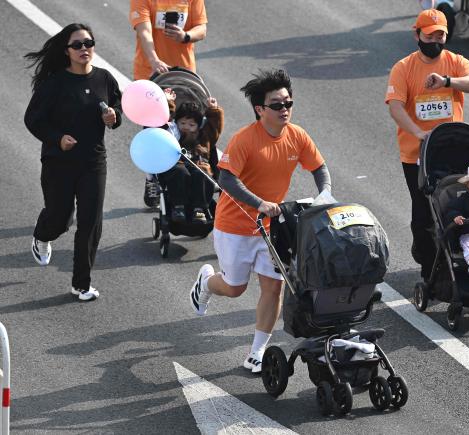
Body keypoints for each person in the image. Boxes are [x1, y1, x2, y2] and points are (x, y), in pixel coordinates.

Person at [188, 69, 331, 373]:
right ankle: (207, 283)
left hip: (272, 228)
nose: (285, 110)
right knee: (234, 287)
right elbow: (226, 179)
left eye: (288, 103)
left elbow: (318, 168)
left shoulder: (297, 135)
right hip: (235, 227)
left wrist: (326, 193)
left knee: (274, 287)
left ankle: (257, 351)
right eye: (277, 105)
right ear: (260, 109)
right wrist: (260, 203)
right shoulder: (245, 140)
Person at [24, 23, 122, 302]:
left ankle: (82, 284)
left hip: (93, 162)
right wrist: (57, 139)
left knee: (91, 222)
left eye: (88, 43)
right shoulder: (54, 84)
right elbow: (33, 119)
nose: (84, 49)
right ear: (66, 51)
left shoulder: (104, 78)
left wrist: (113, 117)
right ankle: (43, 235)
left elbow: (117, 107)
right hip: (59, 162)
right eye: (77, 45)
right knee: (59, 219)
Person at [385, 8, 469, 280]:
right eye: (429, 37)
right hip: (417, 154)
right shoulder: (403, 68)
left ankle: (462, 260)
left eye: (440, 36)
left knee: (458, 207)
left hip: (453, 149)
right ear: (416, 35)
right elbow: (395, 107)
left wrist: (448, 81)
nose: (435, 42)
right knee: (423, 213)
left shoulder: (455, 61)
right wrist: (419, 134)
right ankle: (429, 267)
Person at [129, 0, 208, 208]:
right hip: (152, 74)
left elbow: (202, 28)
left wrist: (186, 36)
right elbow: (144, 32)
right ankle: (152, 177)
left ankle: (186, 174)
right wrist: (154, 60)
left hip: (183, 77)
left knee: (185, 128)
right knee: (154, 130)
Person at [160, 90, 224, 223]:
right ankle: (178, 206)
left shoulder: (203, 136)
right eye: (182, 123)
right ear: (177, 122)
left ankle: (199, 208)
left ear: (198, 126)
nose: (186, 127)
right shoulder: (173, 133)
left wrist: (213, 110)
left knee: (203, 173)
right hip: (178, 164)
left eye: (191, 125)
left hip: (198, 164)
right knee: (179, 172)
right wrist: (169, 102)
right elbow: (165, 119)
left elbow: (214, 127)